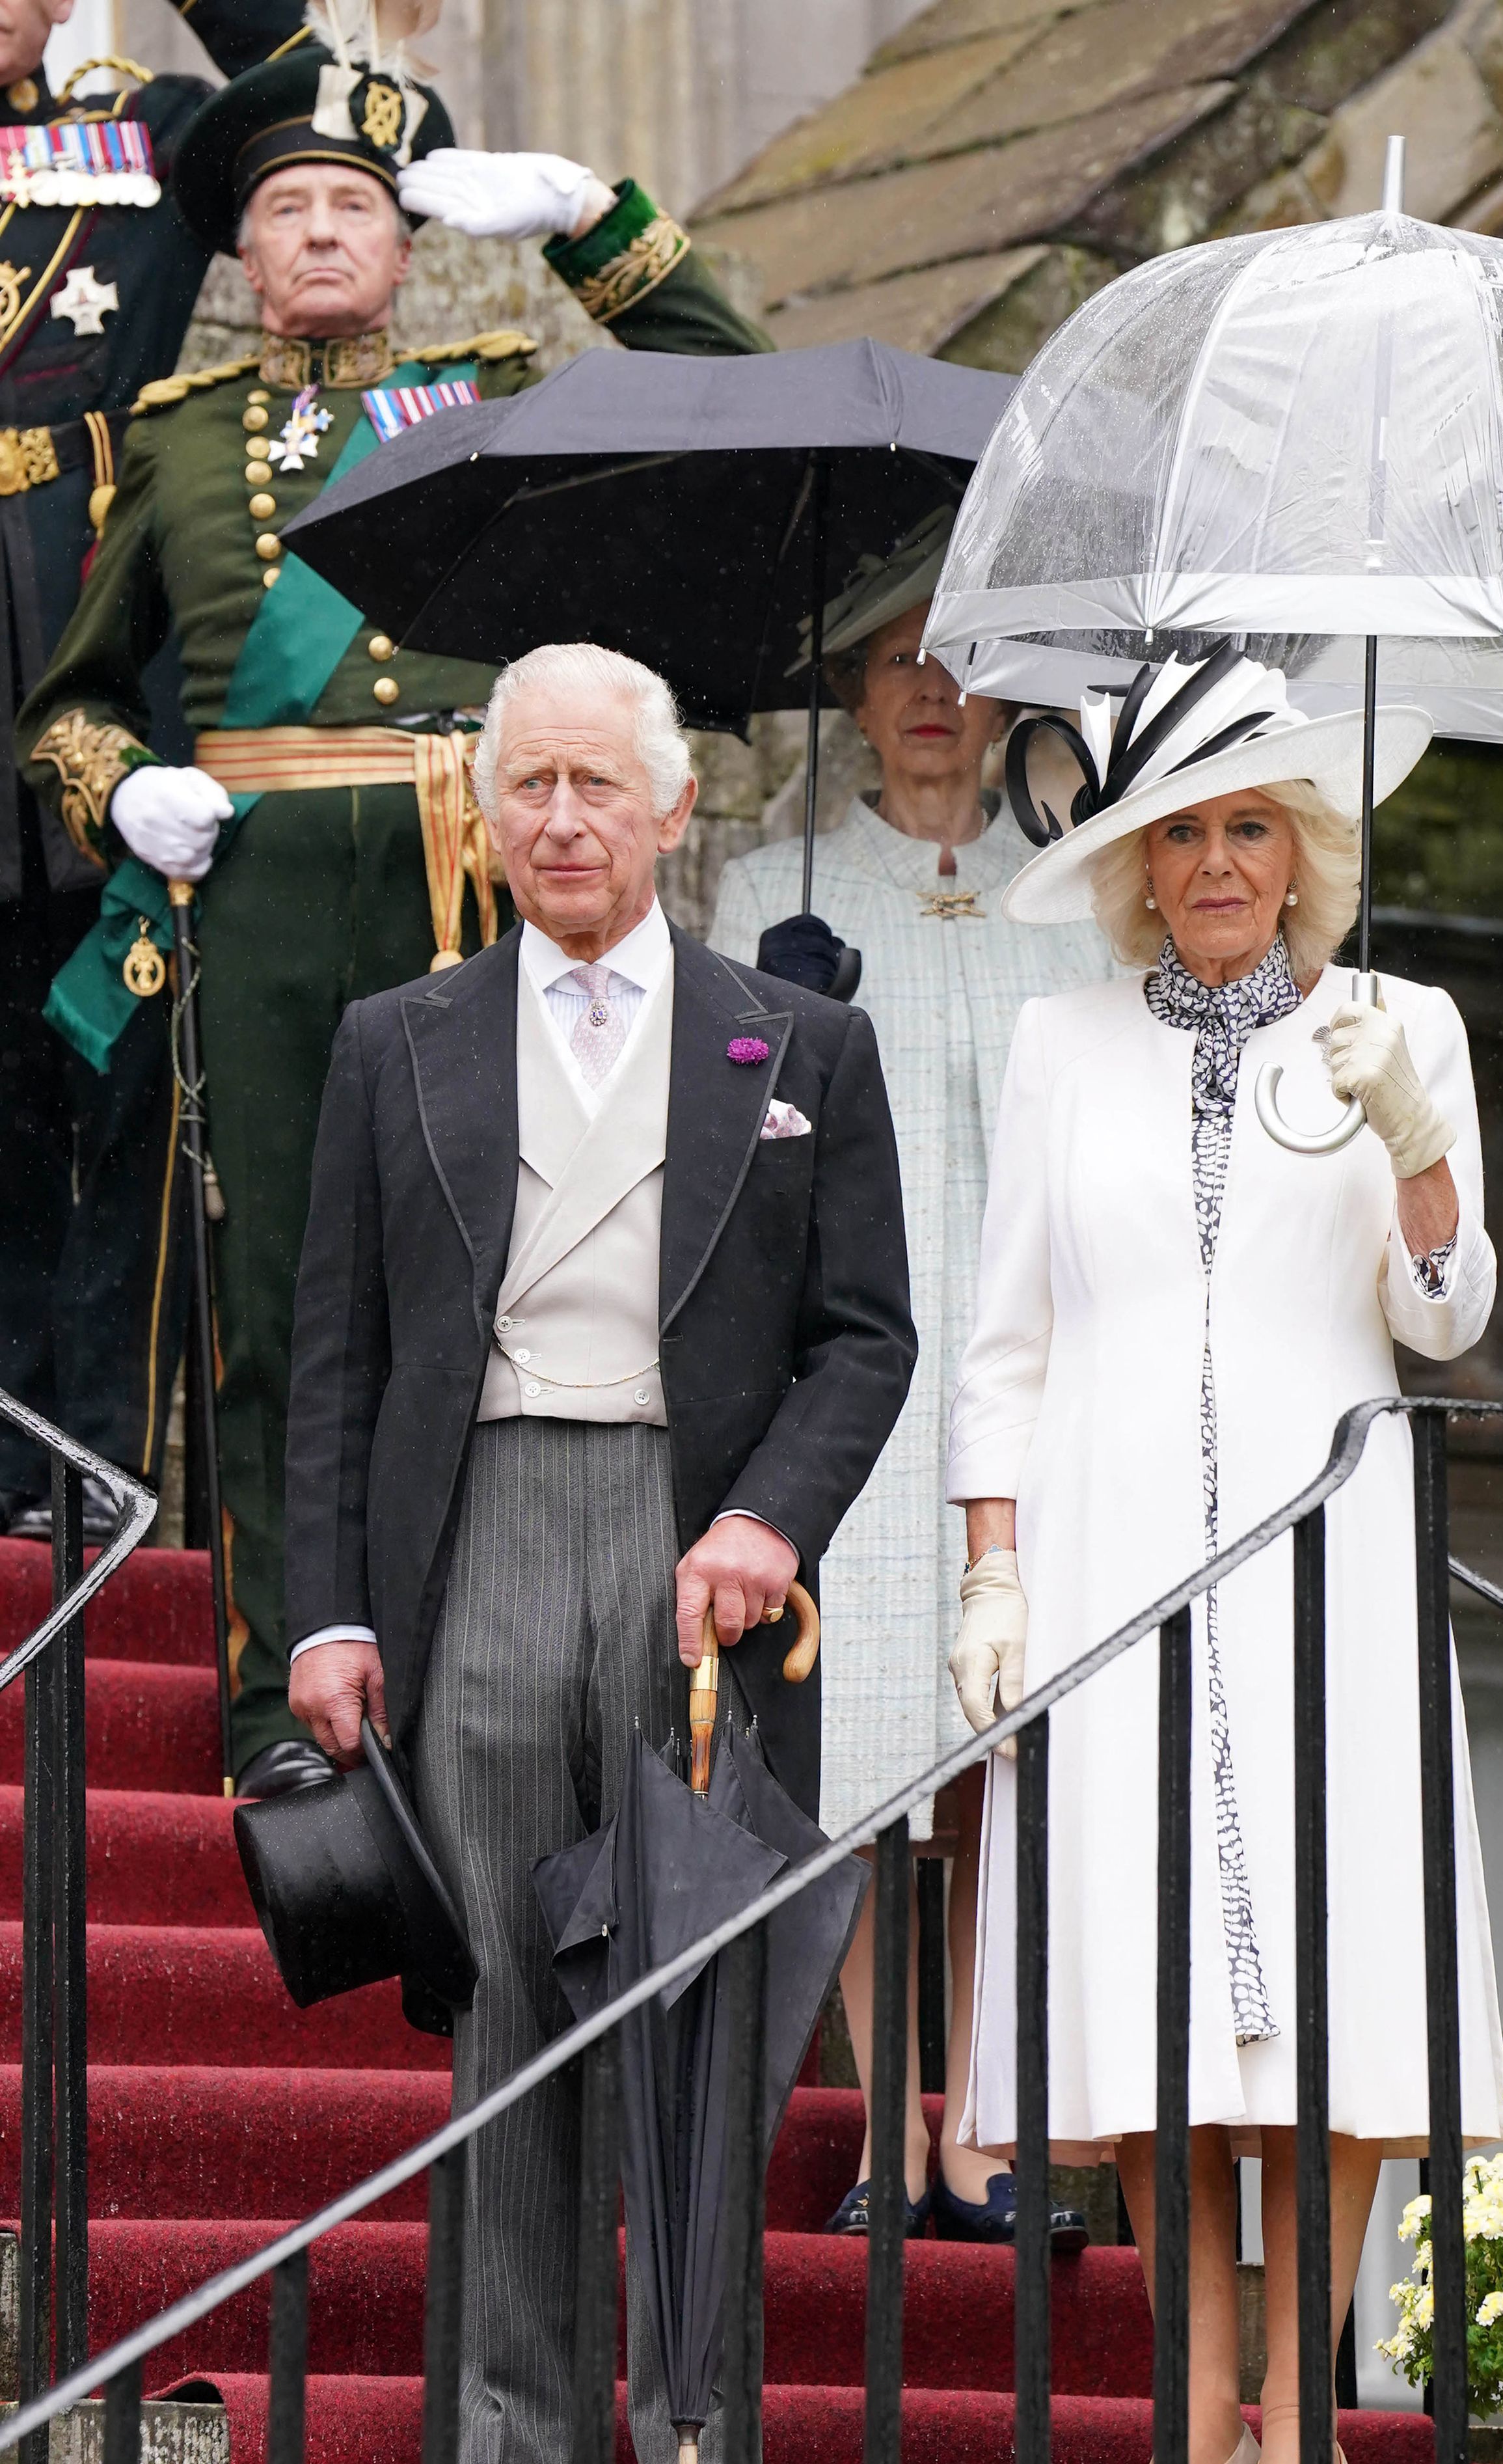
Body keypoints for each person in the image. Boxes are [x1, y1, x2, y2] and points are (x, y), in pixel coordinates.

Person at [18, 33, 768, 1796]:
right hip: (267, 905)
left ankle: (480, 1680)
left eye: (354, 201)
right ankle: (288, 1704)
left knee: (508, 1299)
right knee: (276, 1310)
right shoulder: (173, 446)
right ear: (247, 257)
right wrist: (123, 786)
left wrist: (593, 216)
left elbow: (730, 389)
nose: (321, 233)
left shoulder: (502, 394)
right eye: (285, 207)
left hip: (474, 892)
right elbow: (67, 704)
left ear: (411, 237)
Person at [284, 641, 915, 2464]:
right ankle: (505, 2448)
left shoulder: (801, 1046)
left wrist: (769, 1527)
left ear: (672, 805)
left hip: (689, 1553)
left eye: (594, 785)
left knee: (692, 1995)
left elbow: (865, 1337)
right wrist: (324, 1612)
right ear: (486, 807)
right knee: (499, 1994)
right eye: (528, 784)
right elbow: (329, 1349)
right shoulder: (394, 1037)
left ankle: (692, 2438)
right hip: (474, 1540)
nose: (560, 818)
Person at [945, 648, 1503, 2464]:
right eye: (1180, 830)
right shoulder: (1059, 1044)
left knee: (1333, 1984)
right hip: (1106, 1555)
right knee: (1140, 1988)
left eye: (1248, 824)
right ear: (1135, 862)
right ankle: (1191, 2416)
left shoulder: (1400, 1023)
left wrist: (1417, 1150)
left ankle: (1306, 2422)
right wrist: (991, 1573)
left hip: (1318, 1542)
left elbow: (1444, 1316)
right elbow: (1002, 1340)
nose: (1214, 863)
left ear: (1302, 849)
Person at [707, 516, 1109, 2245]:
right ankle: (891, 2121)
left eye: (958, 659)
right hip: (860, 1363)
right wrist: (764, 1029)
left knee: (1004, 1747)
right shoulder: (768, 889)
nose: (932, 693)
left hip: (1036, 1357)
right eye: (893, 666)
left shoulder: (1085, 877)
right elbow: (719, 1148)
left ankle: (992, 2120)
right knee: (872, 1741)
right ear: (853, 702)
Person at [0, 0, 307, 1540]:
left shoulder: (144, 134)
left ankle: (95, 1480)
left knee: (121, 1101)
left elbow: (302, 87)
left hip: (91, 690)